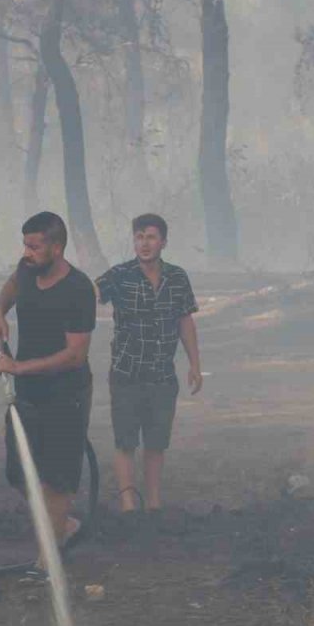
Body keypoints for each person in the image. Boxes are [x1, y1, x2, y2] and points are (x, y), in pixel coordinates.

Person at [0, 212, 96, 555]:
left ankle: (48, 559)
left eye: (34, 246)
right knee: (18, 471)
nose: (27, 252)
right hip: (28, 393)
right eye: (25, 244)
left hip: (67, 394)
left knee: (57, 478)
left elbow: (75, 354)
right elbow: (12, 285)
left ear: (57, 247)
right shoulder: (27, 269)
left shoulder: (78, 289)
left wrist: (19, 367)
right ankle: (63, 526)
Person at [95, 214, 201, 514]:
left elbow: (185, 320)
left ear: (163, 242)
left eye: (151, 237)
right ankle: (128, 503)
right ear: (134, 241)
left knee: (156, 442)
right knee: (125, 440)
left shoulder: (177, 277)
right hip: (126, 372)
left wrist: (195, 363)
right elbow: (88, 294)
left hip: (162, 374)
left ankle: (153, 503)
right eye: (139, 236)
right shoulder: (119, 275)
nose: (144, 243)